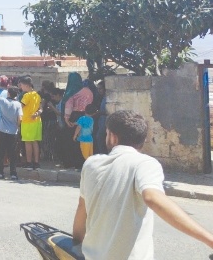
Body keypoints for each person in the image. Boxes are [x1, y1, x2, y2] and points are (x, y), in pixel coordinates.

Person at [72, 110, 213, 259]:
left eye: (106, 133)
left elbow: (82, 209)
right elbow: (153, 198)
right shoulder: (145, 164)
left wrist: (75, 244)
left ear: (113, 137)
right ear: (143, 140)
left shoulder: (91, 164)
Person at [62, 74, 95, 169]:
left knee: (73, 140)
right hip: (88, 115)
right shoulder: (88, 91)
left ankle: (72, 163)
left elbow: (69, 105)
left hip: (75, 116)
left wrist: (67, 119)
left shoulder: (72, 91)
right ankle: (83, 162)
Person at [18, 76, 42, 169]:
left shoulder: (26, 95)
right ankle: (36, 162)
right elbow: (40, 109)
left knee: (28, 143)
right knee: (35, 142)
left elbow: (20, 106)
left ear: (27, 85)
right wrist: (37, 114)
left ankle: (29, 162)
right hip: (37, 121)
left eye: (22, 85)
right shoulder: (37, 95)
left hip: (27, 121)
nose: (21, 87)